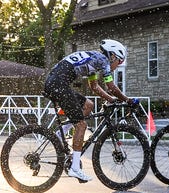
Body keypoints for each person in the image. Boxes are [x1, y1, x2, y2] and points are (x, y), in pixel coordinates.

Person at [44, 39, 138, 182]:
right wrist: (128, 100)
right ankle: (75, 168)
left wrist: (111, 99)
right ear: (112, 56)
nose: (117, 66)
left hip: (56, 83)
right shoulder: (103, 60)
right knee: (82, 125)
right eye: (119, 62)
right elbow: (111, 85)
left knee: (88, 105)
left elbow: (94, 86)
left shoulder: (94, 60)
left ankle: (61, 133)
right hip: (58, 84)